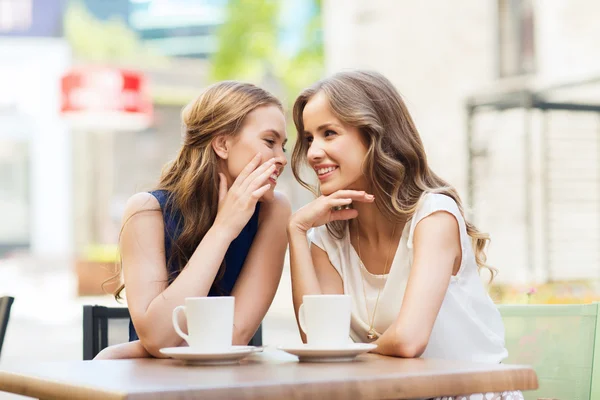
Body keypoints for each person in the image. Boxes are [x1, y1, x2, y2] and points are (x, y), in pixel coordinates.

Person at [287, 70, 523, 400]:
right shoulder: (327, 238)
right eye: (310, 138)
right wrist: (296, 232)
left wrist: (348, 354)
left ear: (374, 136)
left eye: (329, 133)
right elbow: (319, 342)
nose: (312, 152)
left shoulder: (433, 217)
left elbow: (409, 340)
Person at [95, 81, 291, 359]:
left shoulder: (274, 210)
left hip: (225, 382)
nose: (282, 159)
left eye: (283, 146)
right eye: (270, 142)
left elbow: (234, 335)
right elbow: (158, 336)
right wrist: (223, 229)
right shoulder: (146, 212)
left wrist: (130, 351)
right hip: (151, 385)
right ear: (222, 144)